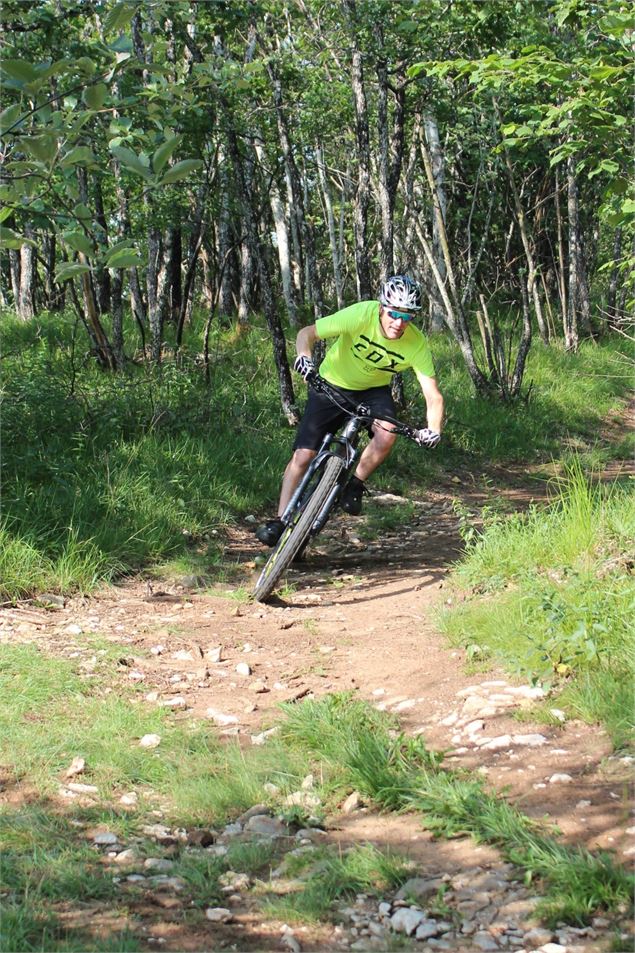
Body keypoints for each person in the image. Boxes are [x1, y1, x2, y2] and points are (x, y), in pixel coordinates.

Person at [256, 274, 445, 546]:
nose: (399, 323)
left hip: (373, 391)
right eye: (394, 314)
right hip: (332, 382)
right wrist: (304, 358)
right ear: (381, 308)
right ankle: (280, 519)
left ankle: (354, 485)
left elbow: (433, 395)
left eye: (407, 317)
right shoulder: (360, 315)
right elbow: (307, 333)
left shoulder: (416, 343)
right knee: (304, 455)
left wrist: (433, 430)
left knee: (388, 432)